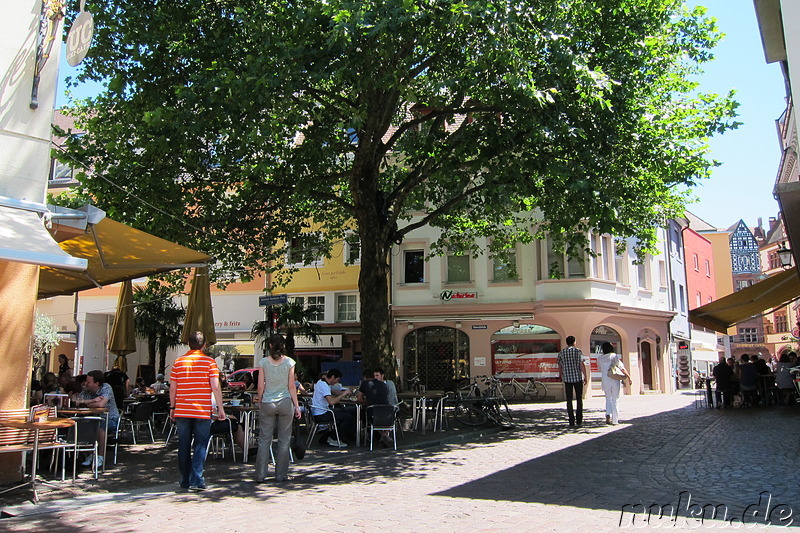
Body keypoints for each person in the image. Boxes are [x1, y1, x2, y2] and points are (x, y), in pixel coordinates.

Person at [169, 331, 226, 491]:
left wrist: (172, 407)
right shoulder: (209, 363)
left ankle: (184, 480)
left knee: (183, 445)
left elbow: (173, 388)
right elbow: (215, 386)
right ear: (204, 345)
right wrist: (220, 408)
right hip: (201, 410)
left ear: (188, 344)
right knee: (201, 444)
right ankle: (197, 480)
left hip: (182, 409)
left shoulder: (178, 362)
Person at [254, 334, 302, 483]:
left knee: (264, 439)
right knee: (284, 440)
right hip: (285, 402)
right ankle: (281, 475)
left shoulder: (263, 363)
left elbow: (261, 385)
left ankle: (261, 474)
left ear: (269, 346)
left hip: (268, 402)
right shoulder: (289, 362)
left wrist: (260, 400)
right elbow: (291, 386)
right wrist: (296, 406)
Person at [76, 370, 120, 468]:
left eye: (88, 382)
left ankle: (100, 456)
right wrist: (92, 400)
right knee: (83, 424)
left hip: (111, 419)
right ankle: (90, 454)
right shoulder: (86, 389)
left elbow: (101, 405)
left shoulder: (106, 388)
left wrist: (86, 403)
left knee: (100, 424)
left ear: (97, 383)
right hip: (93, 417)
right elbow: (78, 402)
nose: (85, 384)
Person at [311, 368, 354, 447]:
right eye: (337, 380)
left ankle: (330, 436)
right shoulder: (324, 386)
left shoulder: (321, 382)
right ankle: (334, 438)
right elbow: (331, 402)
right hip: (322, 414)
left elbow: (333, 392)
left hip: (319, 412)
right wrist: (343, 395)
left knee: (344, 412)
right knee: (348, 417)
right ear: (333, 377)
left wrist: (346, 392)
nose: (337, 382)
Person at [597, 342, 631, 425]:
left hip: (605, 379)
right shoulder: (614, 356)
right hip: (614, 379)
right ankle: (615, 420)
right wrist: (628, 376)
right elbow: (621, 367)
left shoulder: (600, 358)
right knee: (615, 400)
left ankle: (608, 415)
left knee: (608, 399)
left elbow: (599, 369)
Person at [556, 335, 588, 427]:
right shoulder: (578, 351)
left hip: (567, 379)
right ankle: (579, 419)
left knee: (569, 400)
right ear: (574, 342)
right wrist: (585, 376)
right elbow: (582, 364)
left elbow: (560, 365)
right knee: (579, 398)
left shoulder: (562, 352)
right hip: (577, 378)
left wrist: (560, 375)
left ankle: (571, 420)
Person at [358, 369, 392, 447]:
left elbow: (359, 399)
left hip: (373, 413)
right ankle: (384, 435)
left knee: (363, 414)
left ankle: (377, 436)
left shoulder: (364, 384)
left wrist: (367, 401)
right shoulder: (383, 384)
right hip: (388, 413)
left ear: (365, 377)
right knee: (377, 417)